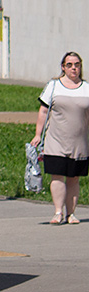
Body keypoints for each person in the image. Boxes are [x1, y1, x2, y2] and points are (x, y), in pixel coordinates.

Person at [31, 52, 89, 224]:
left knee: (74, 178)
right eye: (70, 65)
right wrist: (37, 134)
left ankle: (71, 214)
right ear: (63, 67)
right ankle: (58, 212)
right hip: (55, 140)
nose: (74, 68)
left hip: (79, 142)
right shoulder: (54, 86)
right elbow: (43, 111)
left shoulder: (86, 87)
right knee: (57, 176)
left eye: (77, 64)